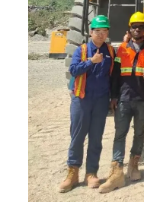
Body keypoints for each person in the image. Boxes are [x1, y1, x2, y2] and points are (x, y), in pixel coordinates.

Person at [99, 12, 144, 193]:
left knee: (139, 133)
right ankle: (117, 170)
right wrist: (113, 96)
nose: (137, 29)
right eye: (135, 27)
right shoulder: (122, 48)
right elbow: (115, 74)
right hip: (124, 98)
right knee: (120, 134)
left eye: (141, 27)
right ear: (130, 29)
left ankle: (134, 165)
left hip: (142, 99)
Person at [59, 15, 116, 193]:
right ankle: (72, 173)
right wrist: (91, 61)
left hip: (100, 100)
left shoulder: (110, 51)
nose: (101, 34)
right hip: (82, 99)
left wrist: (113, 97)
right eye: (97, 31)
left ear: (107, 33)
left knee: (96, 137)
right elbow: (73, 70)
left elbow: (113, 76)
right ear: (91, 32)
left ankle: (91, 173)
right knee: (77, 136)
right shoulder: (82, 50)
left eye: (104, 31)